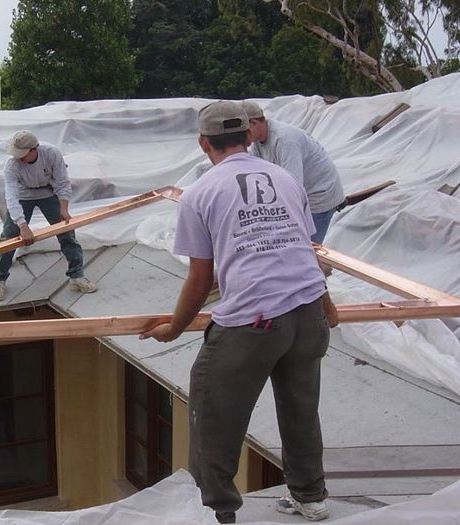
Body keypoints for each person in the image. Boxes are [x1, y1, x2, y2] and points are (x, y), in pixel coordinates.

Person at [140, 101, 337, 523]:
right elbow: (305, 249)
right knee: (300, 407)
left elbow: (199, 278)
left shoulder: (201, 193)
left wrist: (173, 329)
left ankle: (217, 513)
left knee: (213, 409)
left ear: (203, 143)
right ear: (249, 136)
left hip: (255, 321)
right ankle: (311, 497)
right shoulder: (285, 178)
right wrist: (327, 305)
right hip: (307, 315)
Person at [0, 130, 98, 301]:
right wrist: (23, 226)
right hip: (24, 195)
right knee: (9, 237)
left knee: (67, 232)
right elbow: (11, 197)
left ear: (35, 149)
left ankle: (76, 276)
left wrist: (63, 208)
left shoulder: (51, 153)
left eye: (23, 154)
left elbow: (63, 181)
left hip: (48, 192)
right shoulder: (12, 165)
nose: (19, 158)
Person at [240, 101, 344, 244]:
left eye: (243, 132)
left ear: (254, 123)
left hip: (319, 197)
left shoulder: (285, 140)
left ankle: (319, 265)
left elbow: (293, 186)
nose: (242, 137)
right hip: (304, 195)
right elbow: (258, 174)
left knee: (307, 248)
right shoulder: (257, 142)